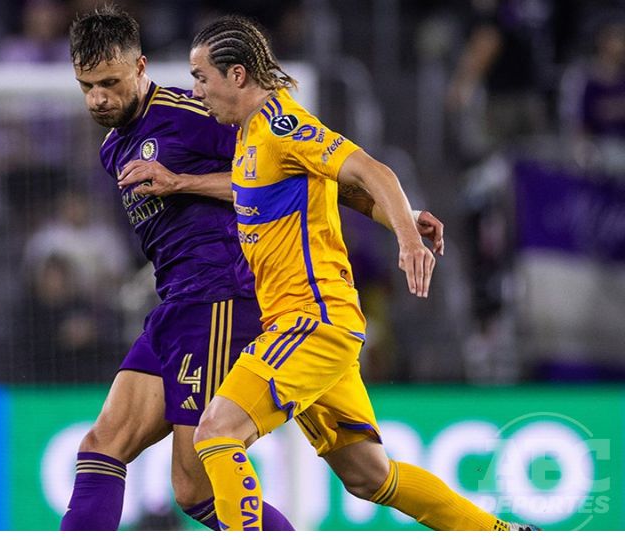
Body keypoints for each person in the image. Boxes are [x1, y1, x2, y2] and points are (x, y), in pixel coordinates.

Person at [62, 6, 445, 531]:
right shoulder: (113, 148)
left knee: (196, 485)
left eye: (109, 82)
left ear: (140, 66)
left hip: (222, 298)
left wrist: (394, 217)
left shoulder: (194, 114)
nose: (98, 98)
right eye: (87, 86)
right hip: (175, 305)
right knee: (101, 446)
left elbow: (297, 173)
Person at [186, 16, 536, 531]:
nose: (197, 90)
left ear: (237, 75)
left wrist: (407, 237)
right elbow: (331, 190)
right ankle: (499, 533)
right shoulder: (249, 137)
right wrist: (178, 182)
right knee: (369, 477)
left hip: (311, 323)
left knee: (216, 432)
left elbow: (373, 171)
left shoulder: (284, 126)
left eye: (201, 77)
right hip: (311, 327)